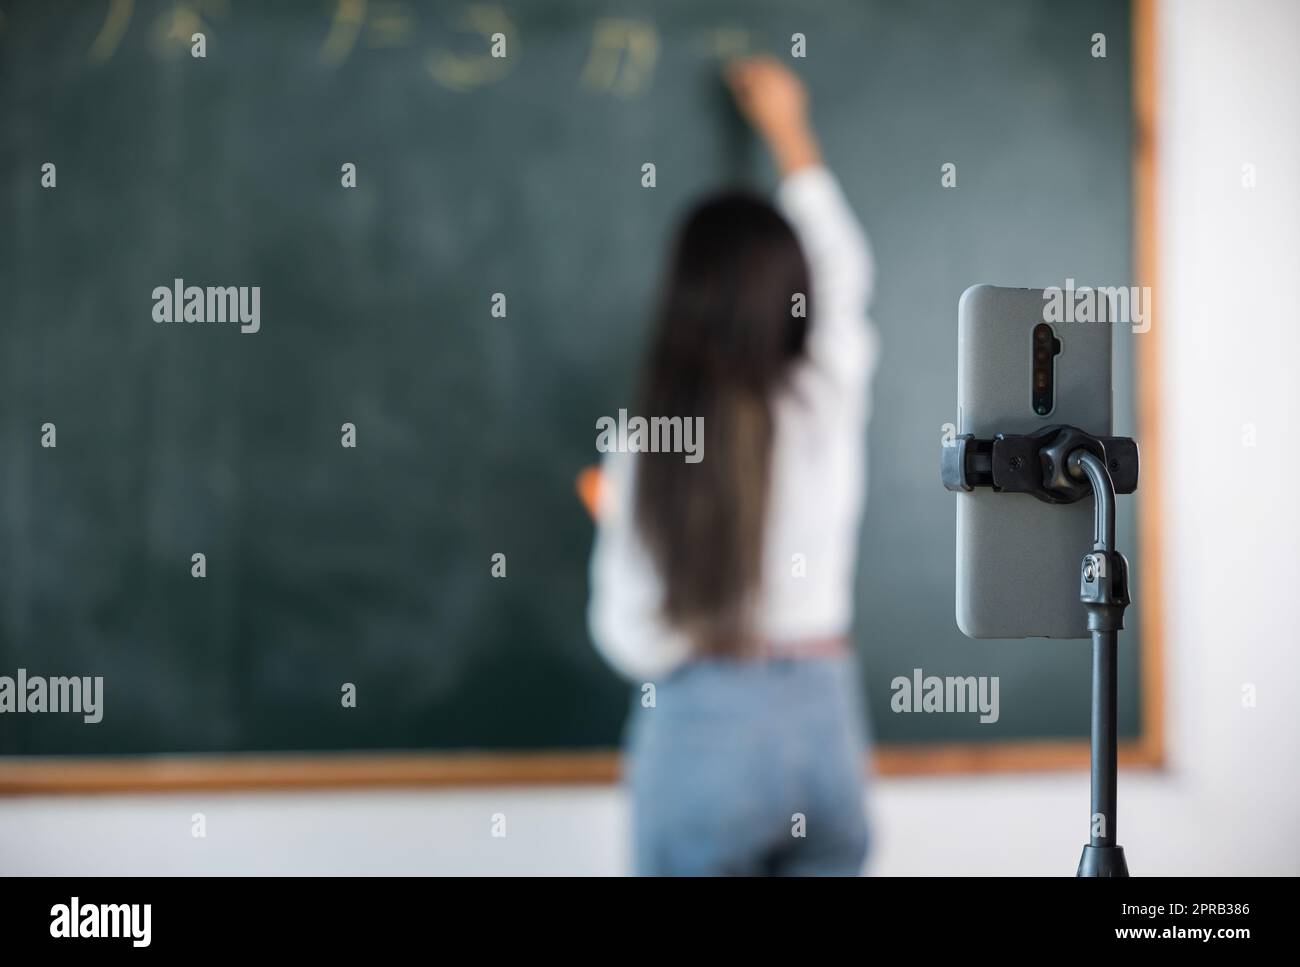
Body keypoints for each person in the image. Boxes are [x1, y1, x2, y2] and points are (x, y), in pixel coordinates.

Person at [585, 57, 879, 876]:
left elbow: (632, 635)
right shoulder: (825, 393)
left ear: (681, 295)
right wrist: (791, 133)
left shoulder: (650, 442)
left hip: (704, 729)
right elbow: (844, 271)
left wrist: (621, 519)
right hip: (826, 717)